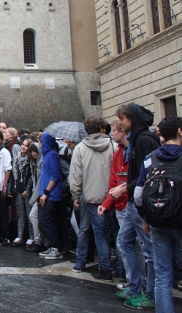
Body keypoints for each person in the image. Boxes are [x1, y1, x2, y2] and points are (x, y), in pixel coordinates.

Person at [110, 104, 160, 309]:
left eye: (122, 119)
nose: (119, 123)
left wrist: (124, 189)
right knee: (124, 241)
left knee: (149, 249)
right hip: (133, 201)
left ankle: (150, 293)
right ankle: (133, 287)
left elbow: (147, 175)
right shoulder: (137, 140)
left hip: (140, 203)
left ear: (132, 119)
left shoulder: (143, 141)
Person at [135, 116, 182, 313]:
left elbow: (138, 195)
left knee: (162, 275)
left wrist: (146, 219)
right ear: (180, 132)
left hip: (158, 222)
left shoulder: (150, 158)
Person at [69, 117, 115, 279]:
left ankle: (100, 266)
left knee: (90, 230)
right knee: (114, 232)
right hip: (112, 196)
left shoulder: (80, 148)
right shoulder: (113, 145)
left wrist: (75, 195)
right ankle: (120, 268)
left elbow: (75, 175)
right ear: (102, 128)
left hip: (89, 196)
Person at [98, 121, 129, 280]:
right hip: (119, 203)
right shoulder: (118, 152)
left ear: (123, 132)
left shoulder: (129, 151)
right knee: (124, 242)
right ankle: (129, 278)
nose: (112, 134)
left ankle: (133, 281)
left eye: (115, 131)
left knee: (127, 243)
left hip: (127, 202)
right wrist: (107, 203)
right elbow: (114, 179)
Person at [38, 132, 64, 260]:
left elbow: (55, 175)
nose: (39, 144)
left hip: (51, 194)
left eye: (41, 141)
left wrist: (46, 193)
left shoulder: (52, 155)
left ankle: (55, 247)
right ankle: (52, 246)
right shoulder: (47, 155)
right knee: (45, 219)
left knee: (45, 219)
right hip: (46, 193)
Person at [11, 137, 33, 247]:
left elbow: (31, 177)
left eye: (26, 145)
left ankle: (32, 237)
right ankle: (20, 236)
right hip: (18, 189)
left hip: (27, 191)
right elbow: (13, 176)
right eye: (22, 145)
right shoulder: (16, 160)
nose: (23, 147)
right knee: (20, 214)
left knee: (30, 215)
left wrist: (28, 189)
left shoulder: (31, 161)